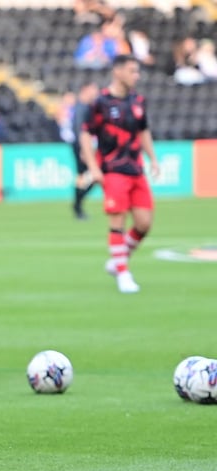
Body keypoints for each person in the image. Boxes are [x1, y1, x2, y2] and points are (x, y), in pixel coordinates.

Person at [79, 55, 159, 294]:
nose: (137, 76)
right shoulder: (101, 102)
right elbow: (85, 133)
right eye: (133, 71)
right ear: (118, 72)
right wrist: (93, 167)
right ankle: (123, 273)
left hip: (136, 169)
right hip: (113, 170)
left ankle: (118, 260)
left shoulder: (138, 101)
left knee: (144, 223)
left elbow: (143, 131)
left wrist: (153, 158)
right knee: (117, 222)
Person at [68, 81, 99, 220]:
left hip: (83, 146)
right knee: (91, 176)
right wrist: (84, 150)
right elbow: (79, 129)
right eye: (94, 89)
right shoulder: (81, 107)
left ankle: (77, 205)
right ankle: (77, 205)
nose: (96, 93)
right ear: (85, 89)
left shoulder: (85, 106)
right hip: (82, 147)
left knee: (85, 177)